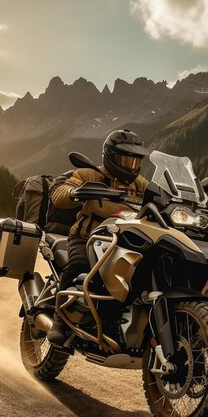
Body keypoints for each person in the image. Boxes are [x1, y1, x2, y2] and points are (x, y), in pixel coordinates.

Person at [47, 129, 149, 345]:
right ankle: (60, 322)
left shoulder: (141, 184)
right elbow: (59, 191)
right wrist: (74, 193)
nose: (130, 165)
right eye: (125, 159)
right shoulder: (90, 175)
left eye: (135, 161)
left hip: (126, 242)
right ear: (110, 158)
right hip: (87, 238)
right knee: (78, 265)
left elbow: (162, 199)